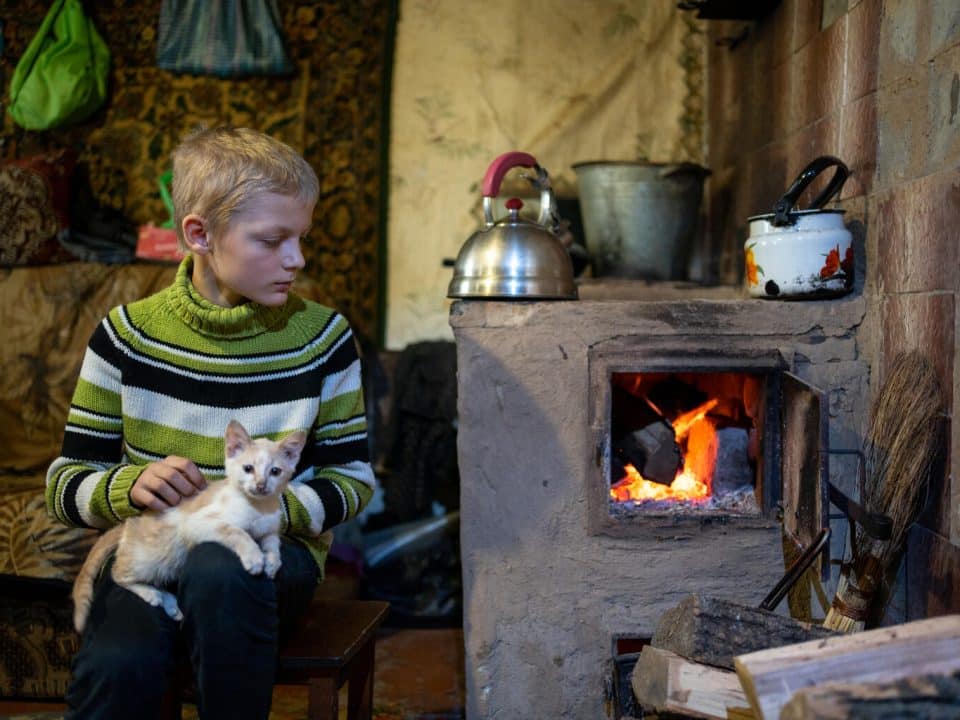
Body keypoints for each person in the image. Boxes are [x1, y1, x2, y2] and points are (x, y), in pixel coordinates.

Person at [45, 126, 376, 719]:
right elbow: (67, 484)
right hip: (157, 548)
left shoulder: (325, 341)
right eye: (272, 240)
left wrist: (260, 507)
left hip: (272, 562)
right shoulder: (126, 338)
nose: (296, 259)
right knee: (120, 664)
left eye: (300, 238)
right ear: (199, 234)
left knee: (220, 568)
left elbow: (352, 479)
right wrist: (126, 487)